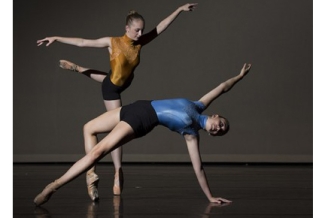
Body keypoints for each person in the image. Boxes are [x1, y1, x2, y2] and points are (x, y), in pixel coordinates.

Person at [36, 3, 198, 200]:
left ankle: (78, 68)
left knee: (109, 77)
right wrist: (57, 38)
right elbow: (82, 42)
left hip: (121, 81)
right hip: (112, 88)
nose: (140, 33)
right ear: (127, 28)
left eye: (142, 30)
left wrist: (179, 10)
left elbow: (161, 27)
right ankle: (113, 171)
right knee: (117, 127)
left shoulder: (140, 42)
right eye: (136, 30)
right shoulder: (112, 42)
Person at [34, 63, 251, 206]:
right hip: (138, 106)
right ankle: (91, 175)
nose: (218, 128)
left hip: (143, 120)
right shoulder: (199, 104)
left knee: (98, 151)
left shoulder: (191, 134)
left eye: (220, 132)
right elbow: (223, 87)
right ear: (216, 116)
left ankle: (52, 187)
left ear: (213, 135)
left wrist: (210, 196)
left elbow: (199, 168)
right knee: (88, 128)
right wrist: (239, 77)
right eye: (221, 124)